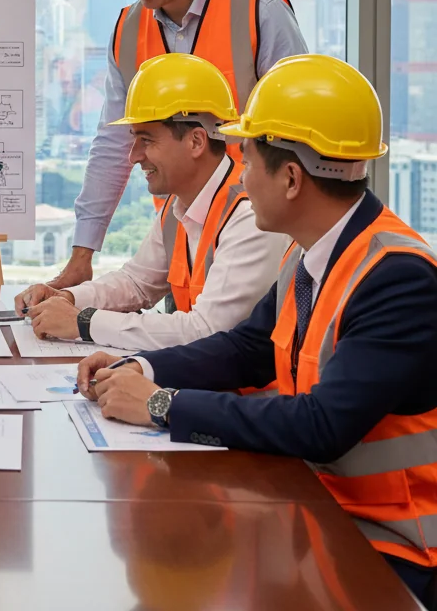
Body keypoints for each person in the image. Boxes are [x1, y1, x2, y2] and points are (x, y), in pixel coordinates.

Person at [77, 54, 437, 607]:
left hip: (392, 546)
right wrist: (142, 368)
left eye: (247, 163)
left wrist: (161, 404)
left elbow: (322, 425)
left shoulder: (397, 278)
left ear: (291, 178)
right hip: (315, 507)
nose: (240, 178)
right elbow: (248, 348)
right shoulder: (310, 255)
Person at [50, 0, 307, 290]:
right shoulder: (127, 33)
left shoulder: (260, 13)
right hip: (183, 252)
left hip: (263, 250)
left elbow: (300, 136)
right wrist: (82, 255)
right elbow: (114, 144)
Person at [15, 53, 289, 349]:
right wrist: (66, 298)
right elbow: (137, 282)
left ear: (196, 141)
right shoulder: (178, 207)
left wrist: (83, 322)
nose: (133, 156)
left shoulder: (249, 216)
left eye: (146, 140)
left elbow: (206, 330)